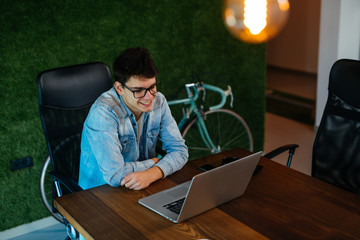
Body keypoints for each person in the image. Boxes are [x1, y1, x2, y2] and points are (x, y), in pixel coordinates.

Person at [78, 47, 188, 191]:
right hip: (100, 193)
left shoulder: (159, 101)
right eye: (138, 91)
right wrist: (155, 163)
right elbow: (115, 175)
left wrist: (153, 173)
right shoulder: (103, 113)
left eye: (152, 87)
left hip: (144, 183)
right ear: (119, 88)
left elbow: (180, 150)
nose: (149, 97)